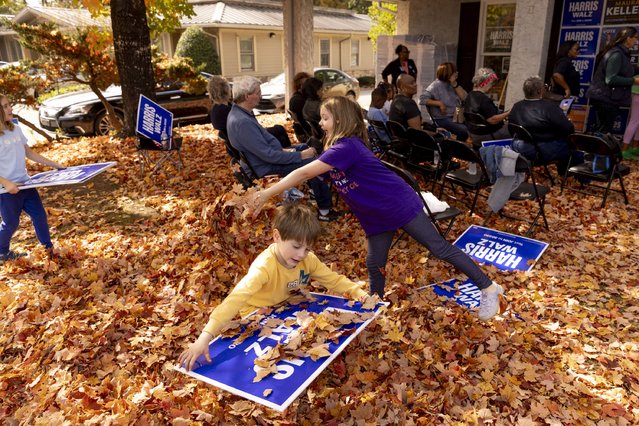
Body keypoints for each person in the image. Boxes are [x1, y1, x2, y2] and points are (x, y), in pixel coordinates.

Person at [252, 96, 505, 320]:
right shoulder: (334, 150)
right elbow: (313, 174)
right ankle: (376, 305)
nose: (321, 123)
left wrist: (267, 193)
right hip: (375, 214)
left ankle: (488, 287)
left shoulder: (346, 147)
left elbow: (306, 171)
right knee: (374, 261)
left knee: (438, 247)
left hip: (397, 203)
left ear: (340, 120)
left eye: (325, 118)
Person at [178, 203, 369, 371]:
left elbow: (333, 280)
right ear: (277, 236)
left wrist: (359, 293)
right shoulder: (264, 267)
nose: (302, 254)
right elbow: (236, 298)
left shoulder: (308, 260)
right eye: (296, 247)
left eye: (307, 249)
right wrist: (205, 337)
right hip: (258, 312)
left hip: (287, 308)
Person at [227, 76, 339, 221]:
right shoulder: (242, 122)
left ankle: (314, 190)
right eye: (258, 92)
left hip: (263, 159)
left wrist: (290, 151)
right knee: (314, 164)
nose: (260, 95)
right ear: (248, 95)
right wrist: (300, 156)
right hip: (265, 167)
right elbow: (269, 156)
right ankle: (325, 211)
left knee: (305, 147)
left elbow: (263, 147)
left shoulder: (241, 113)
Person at [0, 94, 65, 262]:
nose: (10, 108)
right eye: (5, 106)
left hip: (26, 184)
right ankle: (2, 252)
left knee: (39, 216)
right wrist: (7, 183)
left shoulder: (15, 128)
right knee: (11, 224)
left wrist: (55, 164)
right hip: (7, 191)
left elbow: (29, 153)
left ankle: (48, 250)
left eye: (9, 105)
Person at [508, 76, 575, 174]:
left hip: (517, 146)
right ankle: (572, 180)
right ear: (540, 91)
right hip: (538, 150)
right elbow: (568, 129)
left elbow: (511, 128)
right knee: (573, 149)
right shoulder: (549, 107)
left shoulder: (516, 106)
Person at [208, 75, 291, 149]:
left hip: (244, 137)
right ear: (226, 89)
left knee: (278, 130)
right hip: (247, 139)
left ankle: (286, 152)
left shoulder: (218, 109)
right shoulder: (224, 111)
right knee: (279, 129)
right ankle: (286, 155)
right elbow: (244, 126)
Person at [587, 26, 639, 133]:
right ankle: (596, 150)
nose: (636, 40)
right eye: (635, 37)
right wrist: (634, 81)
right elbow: (610, 79)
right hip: (605, 99)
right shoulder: (616, 54)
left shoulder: (622, 54)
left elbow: (628, 71)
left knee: (602, 131)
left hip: (608, 99)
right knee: (602, 132)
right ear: (628, 38)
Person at [420, 62, 469, 141]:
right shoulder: (435, 85)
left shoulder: (453, 84)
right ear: (448, 73)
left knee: (473, 128)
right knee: (464, 130)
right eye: (454, 71)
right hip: (442, 117)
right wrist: (439, 103)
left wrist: (454, 84)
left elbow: (465, 98)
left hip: (457, 113)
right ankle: (456, 147)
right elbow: (422, 99)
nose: (457, 73)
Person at [464, 68, 511, 147]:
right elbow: (492, 120)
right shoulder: (483, 99)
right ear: (486, 82)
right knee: (516, 132)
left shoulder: (470, 95)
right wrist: (508, 113)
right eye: (491, 83)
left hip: (473, 133)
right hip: (486, 134)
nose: (492, 86)